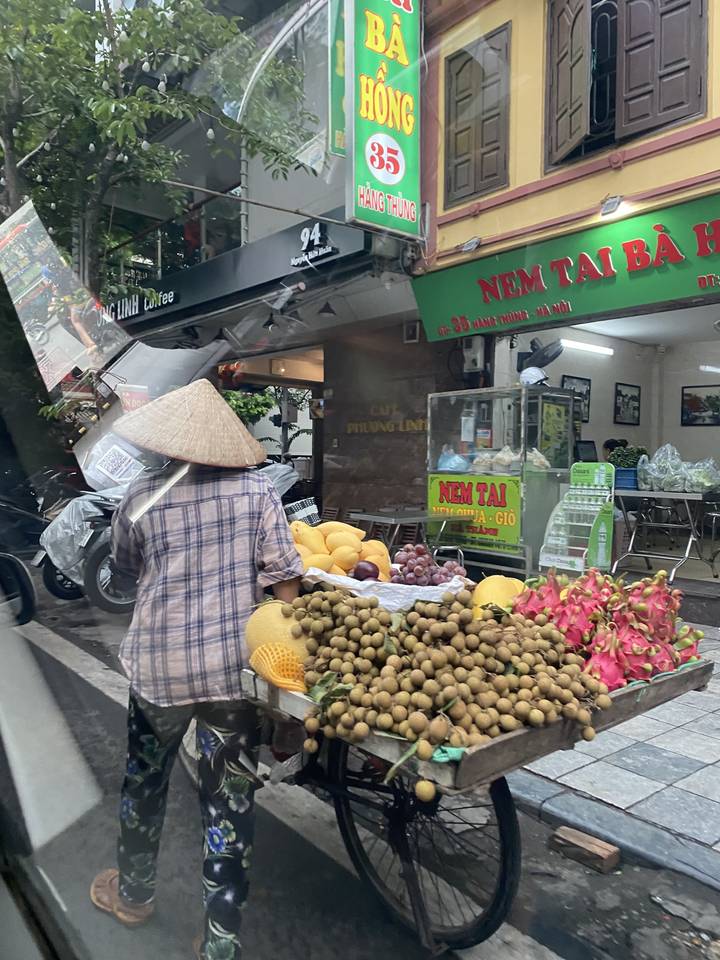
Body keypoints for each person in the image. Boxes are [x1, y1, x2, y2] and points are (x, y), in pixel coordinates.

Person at [89, 379, 303, 960]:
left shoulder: (140, 496)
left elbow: (128, 568)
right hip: (229, 678)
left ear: (170, 443)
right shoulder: (257, 492)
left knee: (144, 784)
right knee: (228, 804)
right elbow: (286, 580)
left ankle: (133, 897)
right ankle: (221, 943)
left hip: (158, 674)